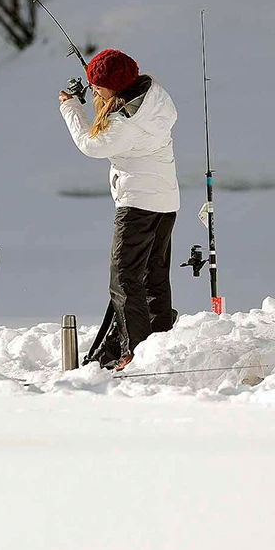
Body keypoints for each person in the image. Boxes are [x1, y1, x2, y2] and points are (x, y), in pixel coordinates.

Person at [58, 48, 180, 371]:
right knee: (154, 276)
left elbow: (90, 144)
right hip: (166, 203)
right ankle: (160, 343)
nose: (94, 90)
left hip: (137, 205)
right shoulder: (154, 95)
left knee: (124, 277)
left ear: (114, 86)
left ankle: (135, 352)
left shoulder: (124, 123)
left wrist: (70, 107)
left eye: (98, 85)